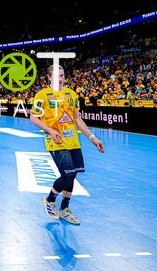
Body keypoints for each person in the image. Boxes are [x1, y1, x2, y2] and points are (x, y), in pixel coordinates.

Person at [29, 65, 105, 225]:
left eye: (62, 75)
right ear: (49, 78)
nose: (60, 79)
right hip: (56, 141)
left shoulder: (71, 94)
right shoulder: (41, 95)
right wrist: (50, 131)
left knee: (73, 175)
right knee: (68, 174)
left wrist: (92, 138)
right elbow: (33, 118)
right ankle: (49, 200)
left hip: (73, 141)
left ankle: (64, 209)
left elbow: (77, 119)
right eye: (56, 76)